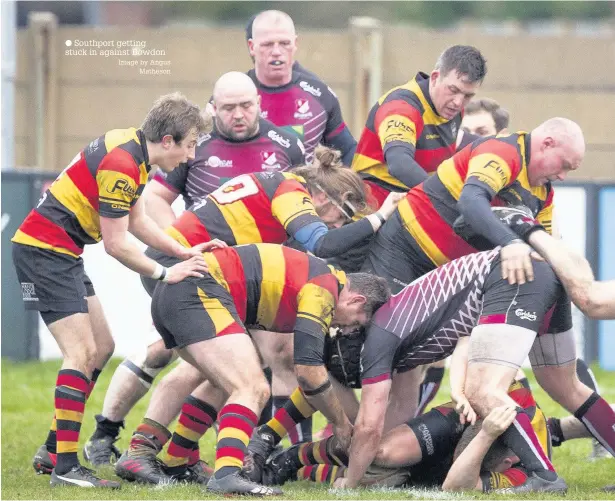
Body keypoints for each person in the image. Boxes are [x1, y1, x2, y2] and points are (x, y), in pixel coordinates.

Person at [80, 146, 403, 472]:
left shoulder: (281, 189)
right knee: (227, 373)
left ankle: (178, 454)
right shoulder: (291, 191)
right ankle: (145, 452)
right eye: (341, 216)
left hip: (193, 271)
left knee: (225, 370)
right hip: (191, 273)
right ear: (321, 195)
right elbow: (324, 244)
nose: (338, 226)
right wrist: (380, 216)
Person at [79, 71, 308, 467]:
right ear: (213, 107)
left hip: (248, 276)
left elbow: (301, 202)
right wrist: (181, 250)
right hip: (198, 265)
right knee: (168, 353)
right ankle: (108, 433)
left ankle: (200, 452)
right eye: (229, 107)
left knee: (249, 359)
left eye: (247, 105)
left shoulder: (287, 143)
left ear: (260, 102)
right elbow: (155, 200)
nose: (239, 114)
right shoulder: (193, 142)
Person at [12, 93, 215, 488]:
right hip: (45, 251)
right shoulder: (124, 165)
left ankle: (54, 449)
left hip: (60, 250)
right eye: (190, 145)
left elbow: (137, 221)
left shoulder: (132, 147)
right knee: (80, 353)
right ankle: (66, 467)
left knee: (101, 346)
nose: (190, 157)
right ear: (169, 140)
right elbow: (116, 244)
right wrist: (164, 273)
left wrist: (181, 250)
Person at [118, 243, 390, 495]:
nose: (347, 329)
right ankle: (227, 475)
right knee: (251, 387)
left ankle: (170, 459)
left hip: (182, 292)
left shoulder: (323, 280)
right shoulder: (323, 291)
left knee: (220, 383)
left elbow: (311, 380)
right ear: (357, 301)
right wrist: (341, 424)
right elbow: (308, 374)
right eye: (358, 323)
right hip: (197, 291)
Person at [362, 117, 585, 295]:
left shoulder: (544, 193)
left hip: (448, 273)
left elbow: (548, 246)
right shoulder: (503, 152)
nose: (563, 176)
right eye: (564, 165)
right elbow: (470, 202)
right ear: (547, 144)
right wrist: (511, 242)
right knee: (378, 328)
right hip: (406, 247)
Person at [263, 381, 547, 492]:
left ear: (512, 461)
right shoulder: (514, 399)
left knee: (374, 480)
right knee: (381, 453)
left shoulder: (526, 469)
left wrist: (486, 436)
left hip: (478, 437)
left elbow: (456, 487)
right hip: (461, 423)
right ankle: (292, 457)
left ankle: (304, 473)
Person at [352, 45, 487, 208]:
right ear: (436, 77)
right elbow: (399, 164)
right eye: (453, 90)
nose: (458, 102)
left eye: (468, 95)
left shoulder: (451, 107)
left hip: (414, 203)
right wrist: (447, 200)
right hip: (372, 208)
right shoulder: (401, 107)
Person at [247, 10, 356, 165]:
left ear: (295, 44)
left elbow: (348, 151)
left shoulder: (319, 95)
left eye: (284, 43)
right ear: (252, 47)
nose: (277, 52)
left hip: (300, 188)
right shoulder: (232, 96)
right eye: (267, 44)